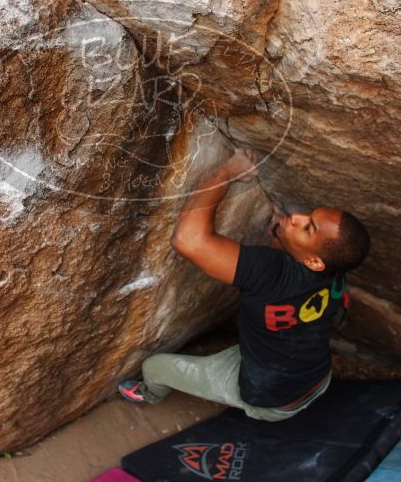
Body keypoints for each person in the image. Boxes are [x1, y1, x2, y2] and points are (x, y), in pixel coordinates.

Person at [117, 147, 371, 422]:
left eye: (307, 228)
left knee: (154, 367)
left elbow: (187, 239)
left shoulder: (271, 273)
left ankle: (149, 393)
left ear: (313, 262)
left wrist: (227, 172)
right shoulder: (336, 272)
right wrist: (284, 238)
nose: (296, 216)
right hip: (314, 376)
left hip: (270, 400)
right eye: (310, 215)